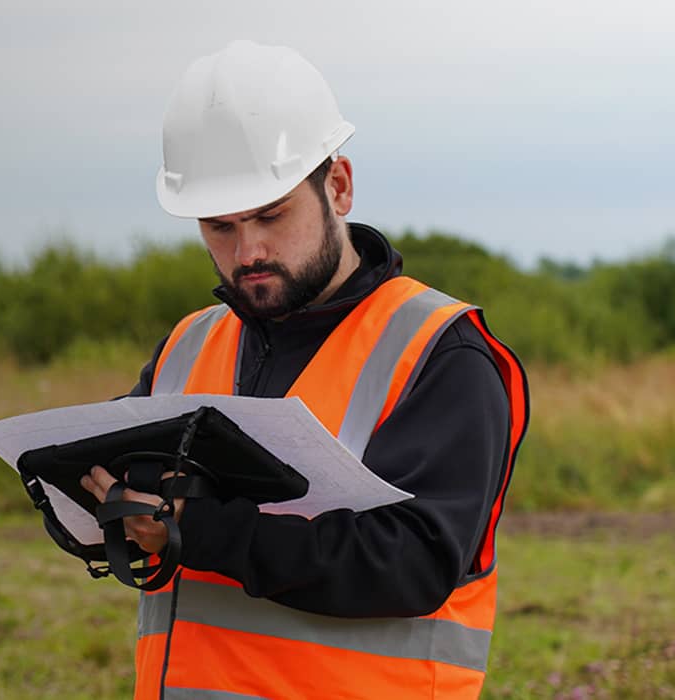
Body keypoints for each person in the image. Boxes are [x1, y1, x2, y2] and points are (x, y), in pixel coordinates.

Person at [80, 40, 531, 699]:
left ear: (339, 186)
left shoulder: (440, 351)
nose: (249, 250)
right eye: (220, 226)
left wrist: (196, 528)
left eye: (272, 214)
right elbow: (128, 510)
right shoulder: (187, 346)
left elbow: (413, 565)